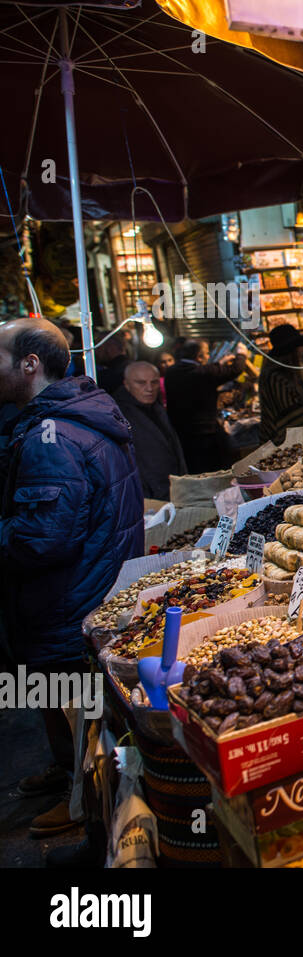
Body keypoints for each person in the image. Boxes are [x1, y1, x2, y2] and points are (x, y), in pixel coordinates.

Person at [0, 317, 143, 838]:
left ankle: (79, 799)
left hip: (68, 597)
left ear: (30, 364)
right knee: (58, 697)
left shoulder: (51, 437)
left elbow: (43, 539)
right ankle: (67, 772)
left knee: (76, 705)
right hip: (84, 587)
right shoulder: (75, 414)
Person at [164, 338, 246, 473]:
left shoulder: (172, 372)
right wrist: (242, 354)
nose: (208, 356)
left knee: (195, 470)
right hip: (204, 434)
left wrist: (219, 363)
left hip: (181, 434)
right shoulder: (202, 373)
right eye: (207, 353)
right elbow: (236, 369)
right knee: (214, 468)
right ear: (200, 357)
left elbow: (205, 371)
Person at [114, 360, 188, 499]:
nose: (149, 388)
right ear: (127, 384)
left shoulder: (156, 407)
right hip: (147, 496)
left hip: (173, 489)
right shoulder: (119, 415)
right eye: (141, 383)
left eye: (154, 382)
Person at [258, 324, 303, 443]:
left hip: (290, 437)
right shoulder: (275, 377)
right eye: (299, 346)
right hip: (280, 440)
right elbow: (291, 414)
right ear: (292, 351)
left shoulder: (286, 373)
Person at [94, 332, 129, 397]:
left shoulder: (108, 376)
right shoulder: (133, 367)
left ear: (110, 347)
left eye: (99, 347)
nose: (96, 352)